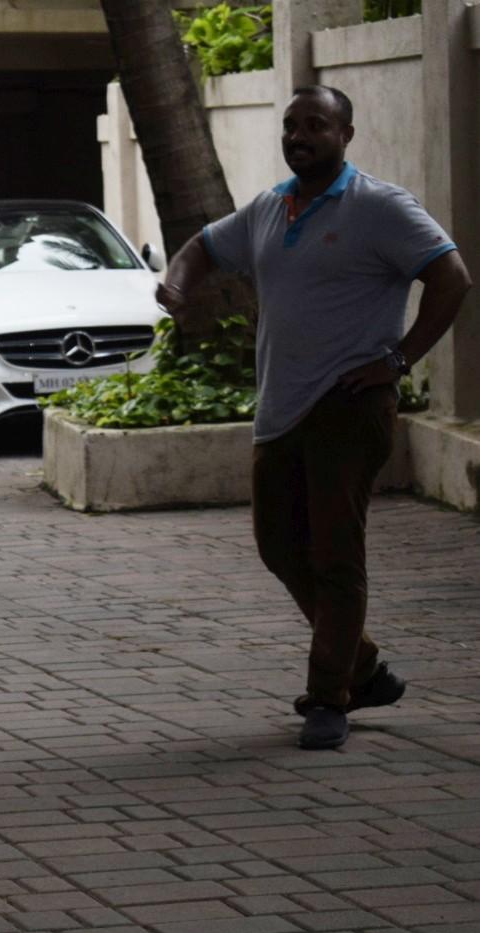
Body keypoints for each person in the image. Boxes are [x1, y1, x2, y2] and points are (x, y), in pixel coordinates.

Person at [159, 86, 470, 751]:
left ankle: (330, 697)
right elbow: (203, 247)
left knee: (335, 553)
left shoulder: (380, 208)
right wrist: (179, 282)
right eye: (291, 126)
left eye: (316, 126)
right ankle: (362, 666)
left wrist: (400, 359)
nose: (300, 136)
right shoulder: (272, 208)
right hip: (281, 406)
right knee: (279, 546)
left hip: (349, 404)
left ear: (346, 134)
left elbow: (452, 278)